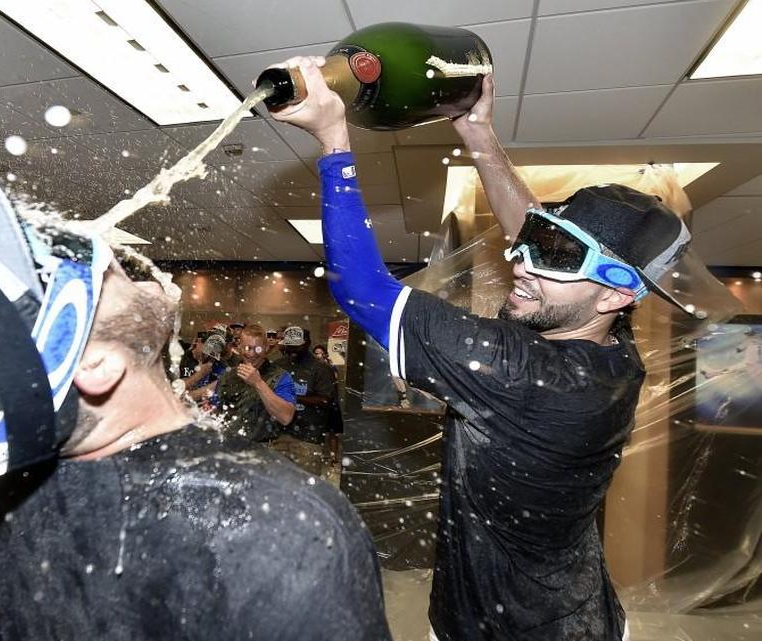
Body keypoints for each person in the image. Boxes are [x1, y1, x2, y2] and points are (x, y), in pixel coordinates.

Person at [0, 161, 392, 641]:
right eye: (65, 275)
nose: (101, 253)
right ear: (95, 367)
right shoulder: (274, 519)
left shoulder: (23, 477)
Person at [268, 56, 695, 640]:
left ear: (616, 296)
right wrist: (478, 133)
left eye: (558, 257)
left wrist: (333, 139)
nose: (521, 259)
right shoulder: (607, 347)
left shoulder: (522, 374)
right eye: (541, 241)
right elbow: (533, 235)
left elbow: (361, 289)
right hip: (570, 609)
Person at [208, 324, 296, 442]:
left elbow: (286, 417)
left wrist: (258, 383)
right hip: (228, 447)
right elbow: (214, 410)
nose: (252, 354)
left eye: (257, 349)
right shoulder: (228, 375)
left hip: (263, 451)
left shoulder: (281, 377)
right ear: (239, 347)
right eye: (247, 348)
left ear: (265, 348)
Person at [273, 326, 337, 477]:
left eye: (297, 345)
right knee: (277, 487)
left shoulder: (321, 368)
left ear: (307, 343)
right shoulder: (278, 365)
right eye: (289, 345)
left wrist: (292, 397)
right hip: (279, 434)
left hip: (309, 436)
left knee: (306, 489)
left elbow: (325, 400)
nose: (293, 349)